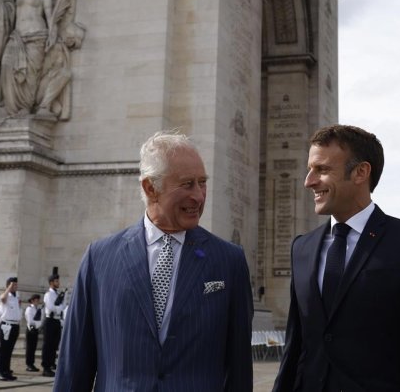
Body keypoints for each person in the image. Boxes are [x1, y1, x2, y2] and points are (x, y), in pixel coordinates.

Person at [56, 130, 253, 391]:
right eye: (187, 184)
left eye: (202, 182)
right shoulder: (99, 259)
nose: (199, 196)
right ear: (151, 188)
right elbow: (74, 366)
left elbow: (239, 369)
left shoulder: (229, 261)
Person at [273, 124, 400, 391]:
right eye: (310, 169)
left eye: (322, 169)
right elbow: (295, 348)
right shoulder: (302, 248)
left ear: (361, 172)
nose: (308, 181)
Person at [41, 268, 66, 376]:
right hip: (50, 320)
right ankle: (46, 367)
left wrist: (59, 307)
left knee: (54, 344)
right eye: (56, 281)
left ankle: (51, 363)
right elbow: (51, 307)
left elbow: (63, 306)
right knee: (48, 345)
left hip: (56, 321)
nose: (58, 282)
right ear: (51, 283)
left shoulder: (57, 294)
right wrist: (59, 308)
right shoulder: (48, 295)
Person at [0, 277, 21, 382]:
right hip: (6, 325)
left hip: (15, 325)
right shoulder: (6, 295)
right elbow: (2, 299)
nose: (15, 286)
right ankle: (1, 371)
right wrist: (8, 289)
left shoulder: (16, 296)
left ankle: (7, 370)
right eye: (13, 285)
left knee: (9, 350)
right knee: (4, 350)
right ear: (8, 286)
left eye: (16, 284)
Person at [24, 294, 43, 373]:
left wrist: (39, 324)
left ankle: (32, 363)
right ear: (32, 301)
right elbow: (30, 321)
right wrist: (38, 323)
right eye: (36, 300)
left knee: (33, 347)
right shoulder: (29, 309)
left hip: (36, 329)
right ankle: (29, 364)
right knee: (30, 348)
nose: (37, 301)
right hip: (31, 329)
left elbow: (40, 319)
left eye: (38, 300)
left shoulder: (37, 309)